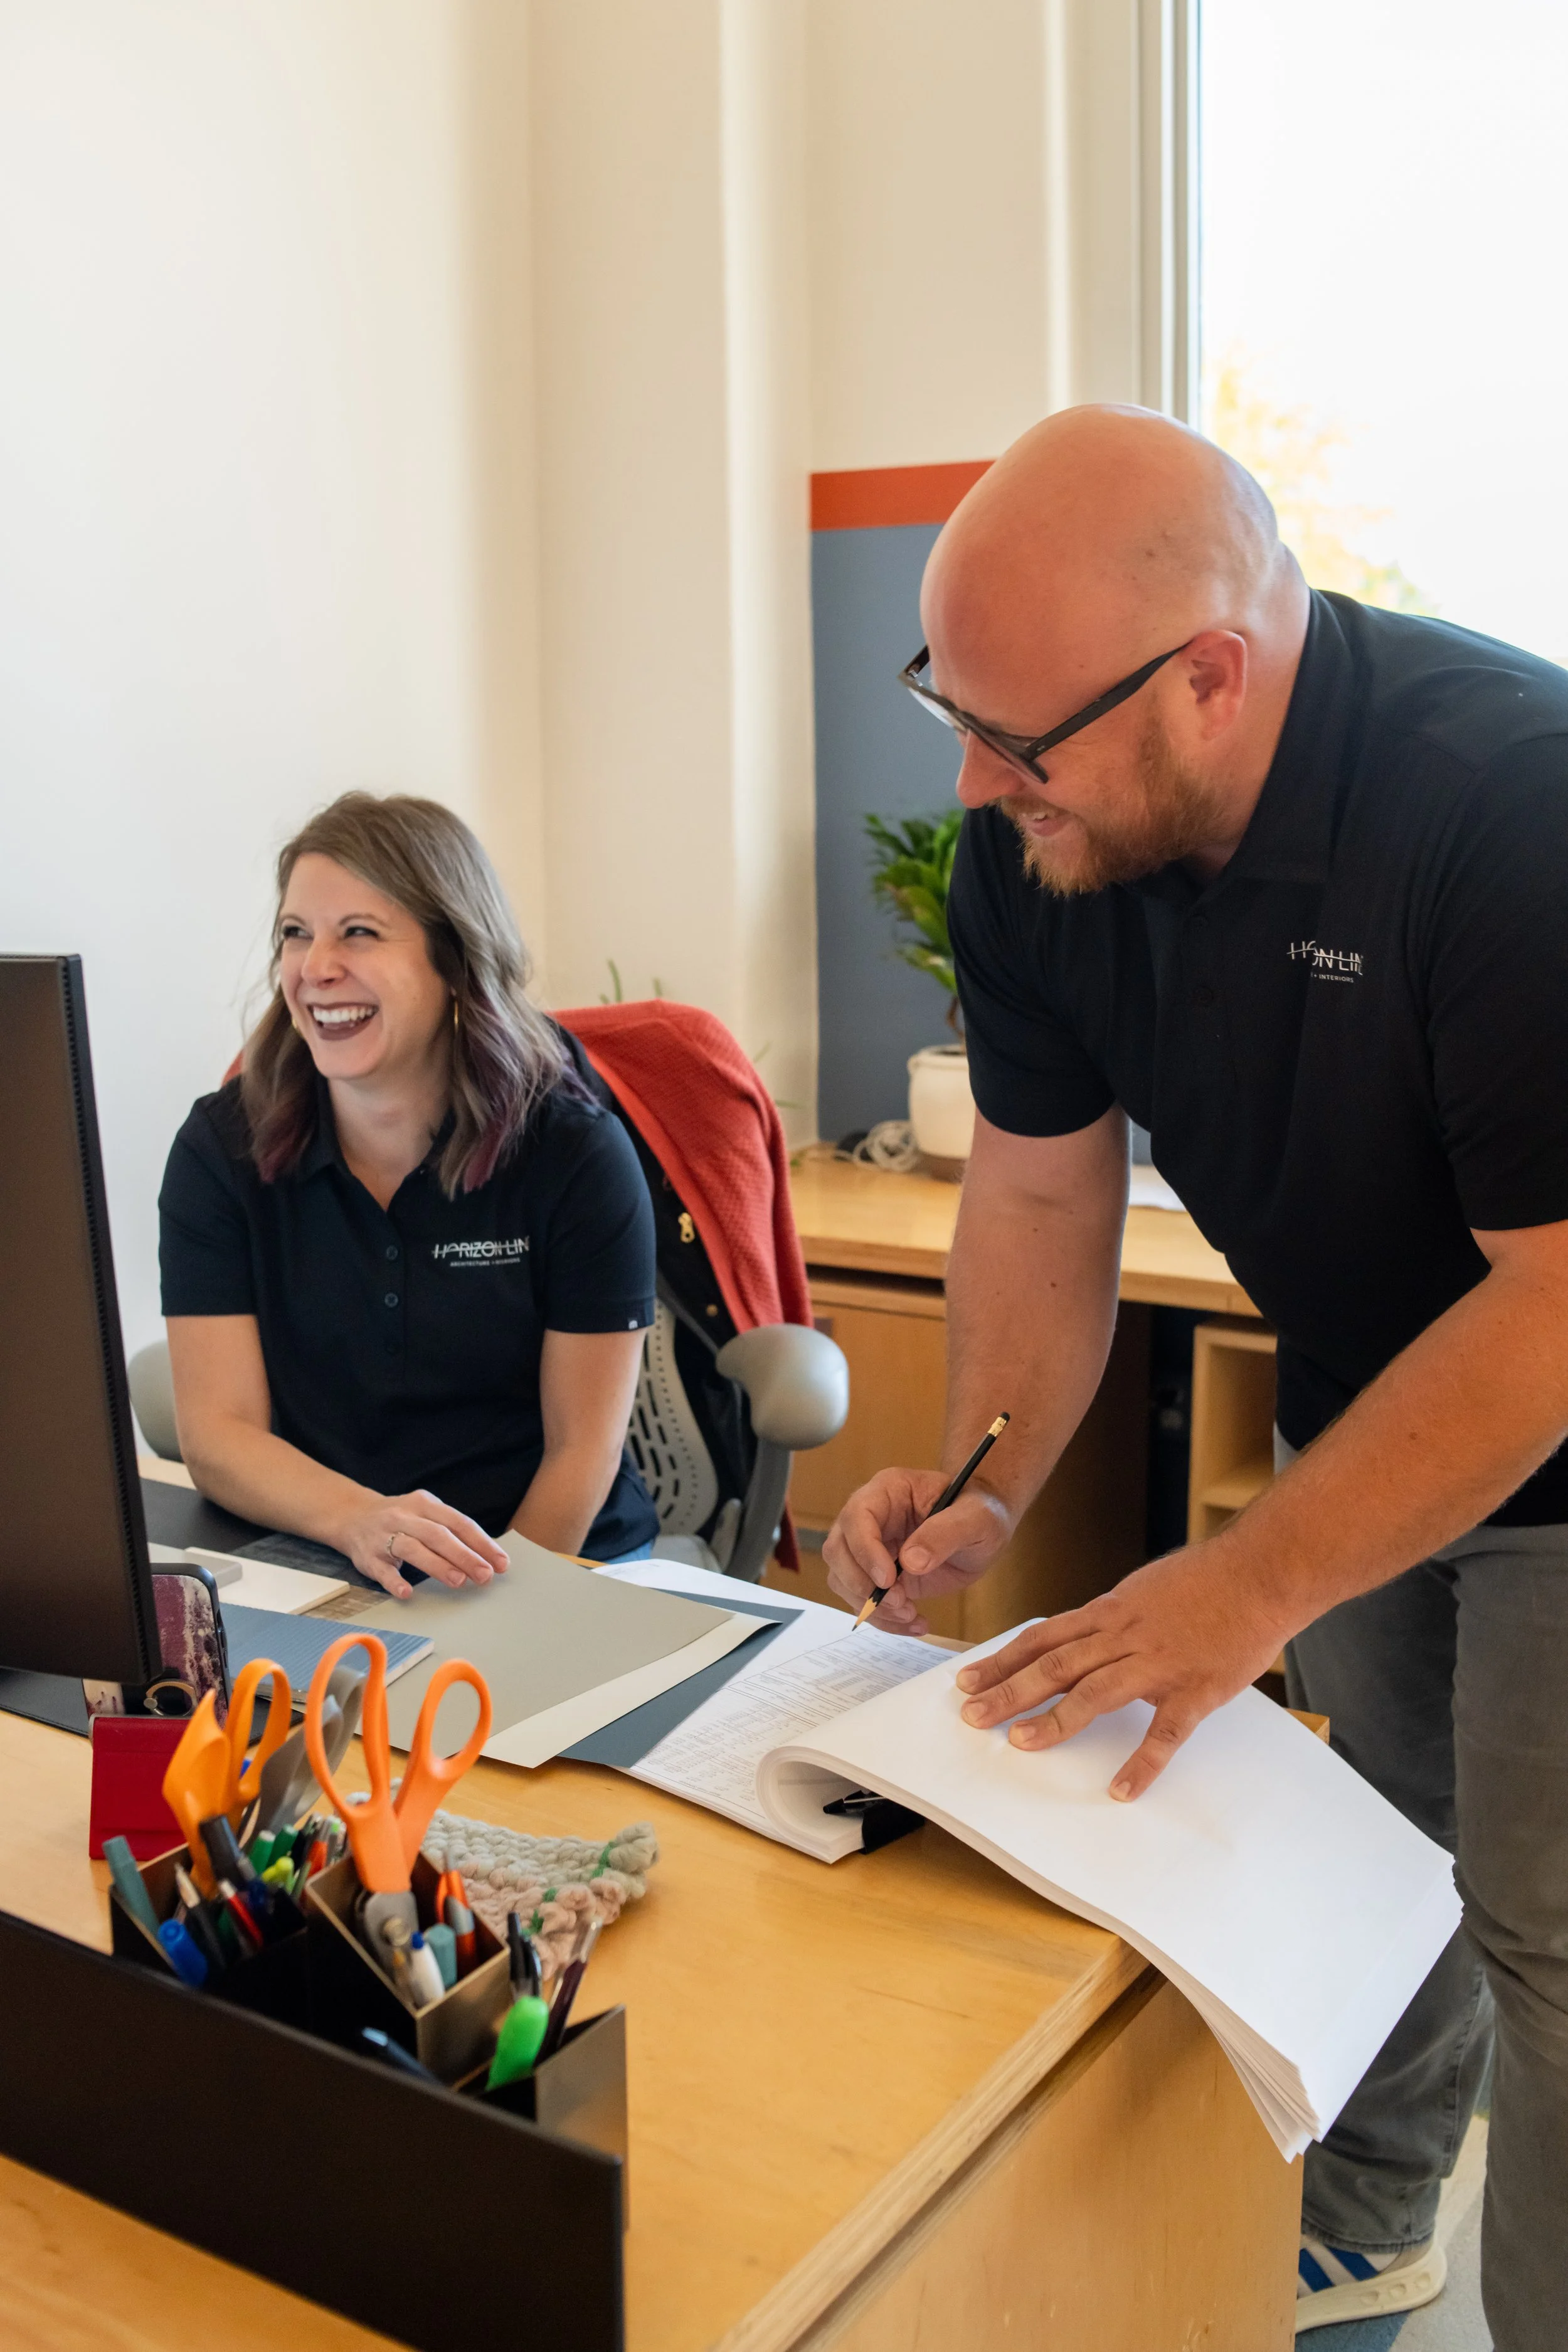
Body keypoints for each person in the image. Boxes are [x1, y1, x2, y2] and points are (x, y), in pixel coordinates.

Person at [822, 406, 1568, 2348]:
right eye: (948, 712)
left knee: (1545, 1922)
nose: (975, 785)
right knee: (1383, 1856)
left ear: (1209, 678)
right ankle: (1374, 2208)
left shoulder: (1505, 805)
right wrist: (987, 1462)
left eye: (1018, 738)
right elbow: (1038, 1190)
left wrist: (1241, 1584)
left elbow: (1550, 1309)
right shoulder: (1038, 848)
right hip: (1364, 1392)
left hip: (1550, 1387)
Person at [159, 790, 659, 1594]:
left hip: (555, 1558)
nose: (316, 968)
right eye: (296, 934)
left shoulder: (574, 1155)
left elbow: (581, 1451)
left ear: (454, 959)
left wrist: (504, 1607)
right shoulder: (223, 1148)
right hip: (326, 1547)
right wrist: (360, 1522)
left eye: (359, 932)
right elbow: (219, 1433)